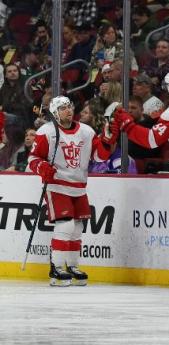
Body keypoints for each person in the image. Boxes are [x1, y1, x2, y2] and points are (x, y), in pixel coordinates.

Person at [27, 96, 116, 286]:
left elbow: (99, 157)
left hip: (79, 187)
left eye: (69, 107)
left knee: (77, 228)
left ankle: (72, 266)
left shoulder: (86, 131)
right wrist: (43, 168)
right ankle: (56, 267)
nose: (68, 110)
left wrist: (107, 141)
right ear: (54, 113)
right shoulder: (46, 131)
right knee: (65, 226)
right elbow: (33, 158)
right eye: (62, 108)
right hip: (57, 186)